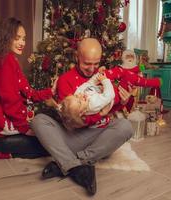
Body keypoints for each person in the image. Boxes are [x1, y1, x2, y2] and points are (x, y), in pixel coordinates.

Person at [31, 38, 133, 196]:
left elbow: (110, 107)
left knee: (125, 126)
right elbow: (75, 121)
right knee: (39, 121)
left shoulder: (103, 78)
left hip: (98, 137)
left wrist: (123, 102)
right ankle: (79, 167)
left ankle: (67, 163)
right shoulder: (65, 81)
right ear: (77, 57)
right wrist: (101, 114)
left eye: (96, 63)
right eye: (87, 63)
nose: (92, 69)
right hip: (74, 135)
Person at [0, 17, 55, 159]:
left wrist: (51, 91)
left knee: (50, 141)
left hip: (1, 136)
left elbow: (30, 94)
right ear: (6, 38)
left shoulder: (11, 60)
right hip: (1, 138)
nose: (22, 43)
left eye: (24, 38)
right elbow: (9, 101)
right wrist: (25, 128)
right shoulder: (5, 62)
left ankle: (3, 150)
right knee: (50, 146)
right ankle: (2, 152)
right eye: (17, 38)